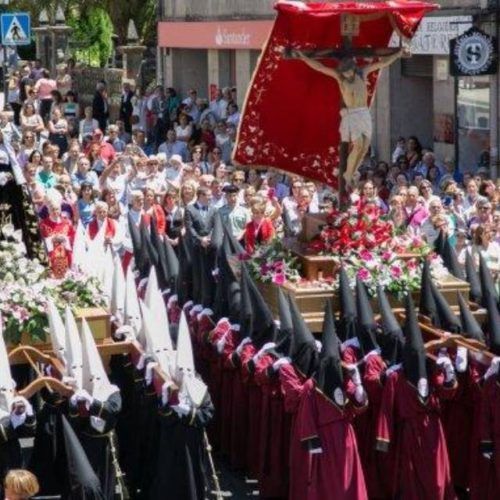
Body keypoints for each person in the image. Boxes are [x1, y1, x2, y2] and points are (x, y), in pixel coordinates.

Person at [296, 47, 407, 186]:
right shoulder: (340, 77)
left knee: (365, 146)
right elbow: (320, 67)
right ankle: (348, 174)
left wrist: (397, 54)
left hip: (364, 112)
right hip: (352, 113)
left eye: (348, 71)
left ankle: (352, 171)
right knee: (358, 144)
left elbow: (382, 63)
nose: (347, 74)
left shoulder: (363, 73)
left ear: (353, 68)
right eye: (344, 72)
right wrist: (304, 58)